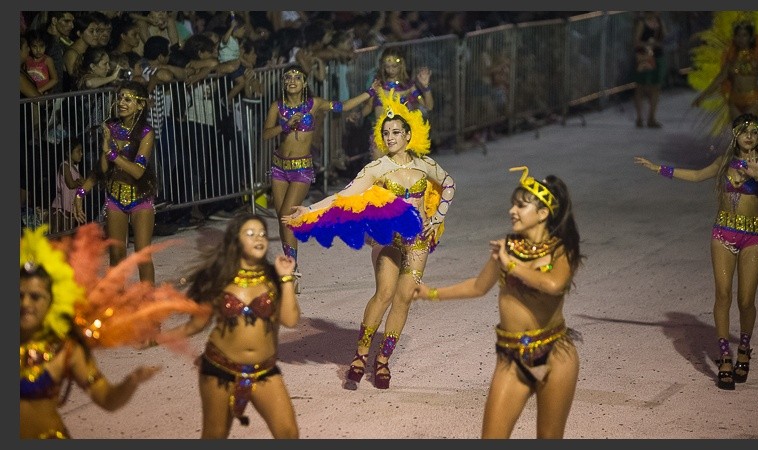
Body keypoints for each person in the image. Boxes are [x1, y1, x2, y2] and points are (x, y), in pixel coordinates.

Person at [282, 88, 456, 390]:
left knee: (403, 299)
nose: (390, 137)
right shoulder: (377, 168)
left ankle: (383, 361)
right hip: (387, 240)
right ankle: (360, 356)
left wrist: (438, 217)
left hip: (418, 242)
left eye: (395, 132)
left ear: (408, 134)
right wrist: (308, 210)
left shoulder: (425, 164)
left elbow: (450, 184)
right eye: (385, 133)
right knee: (385, 294)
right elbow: (342, 196)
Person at [411, 166, 583, 439]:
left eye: (521, 206)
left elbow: (554, 285)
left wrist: (511, 266)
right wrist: (431, 293)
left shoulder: (560, 250)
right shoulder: (508, 247)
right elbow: (478, 287)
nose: (512, 211)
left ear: (542, 214)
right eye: (513, 204)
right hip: (513, 355)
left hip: (555, 355)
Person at [634, 113, 758, 390]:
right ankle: (724, 356)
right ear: (734, 135)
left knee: (746, 300)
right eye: (743, 131)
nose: (749, 136)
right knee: (722, 294)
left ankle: (744, 351)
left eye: (754, 131)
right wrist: (659, 169)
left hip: (753, 237)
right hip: (722, 233)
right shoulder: (725, 162)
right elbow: (697, 175)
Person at [20, 223, 205, 439]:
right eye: (19, 295)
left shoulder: (65, 349)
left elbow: (107, 400)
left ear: (53, 301)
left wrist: (131, 382)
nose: (25, 303)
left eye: (35, 297)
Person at [154, 213, 301, 439]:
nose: (259, 239)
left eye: (262, 234)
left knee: (288, 433)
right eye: (250, 234)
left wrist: (286, 279)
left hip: (264, 370)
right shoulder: (220, 277)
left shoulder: (272, 277)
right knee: (215, 435)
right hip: (220, 370)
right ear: (236, 241)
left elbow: (291, 320)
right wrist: (158, 339)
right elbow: (196, 325)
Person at [262, 63, 380, 285]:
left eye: (297, 78)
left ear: (305, 83)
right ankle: (292, 266)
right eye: (288, 78)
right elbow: (266, 135)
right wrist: (285, 126)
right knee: (282, 218)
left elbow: (342, 106)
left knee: (288, 216)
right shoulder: (277, 107)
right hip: (279, 167)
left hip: (301, 169)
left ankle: (291, 270)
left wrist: (369, 93)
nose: (292, 82)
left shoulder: (314, 104)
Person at [74, 80, 158, 284]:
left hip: (140, 196)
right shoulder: (111, 127)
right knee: (116, 257)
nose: (121, 102)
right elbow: (101, 170)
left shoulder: (146, 133)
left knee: (142, 256)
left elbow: (138, 171)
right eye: (120, 97)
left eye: (128, 99)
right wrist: (80, 194)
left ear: (140, 105)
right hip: (114, 197)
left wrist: (113, 154)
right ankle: (117, 305)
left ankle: (148, 305)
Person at [689, 12, 758, 151]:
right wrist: (702, 96)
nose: (740, 38)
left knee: (748, 136)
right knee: (739, 138)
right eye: (738, 35)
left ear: (750, 37)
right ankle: (741, 169)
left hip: (754, 101)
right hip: (734, 102)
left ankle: (753, 167)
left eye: (744, 35)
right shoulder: (731, 56)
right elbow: (720, 79)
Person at [361, 47, 433, 159]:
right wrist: (358, 115)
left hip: (401, 137)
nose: (390, 70)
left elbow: (428, 106)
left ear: (401, 65)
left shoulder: (408, 86)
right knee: (380, 172)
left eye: (394, 66)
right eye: (387, 67)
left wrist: (425, 87)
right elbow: (369, 106)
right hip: (381, 136)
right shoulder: (378, 85)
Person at [633, 11, 667, 129]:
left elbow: (664, 37)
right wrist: (648, 44)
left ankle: (651, 117)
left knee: (656, 87)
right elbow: (636, 42)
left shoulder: (659, 22)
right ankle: (639, 118)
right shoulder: (642, 23)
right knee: (641, 87)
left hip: (658, 56)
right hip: (645, 57)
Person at [50, 138, 85, 233]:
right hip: (61, 206)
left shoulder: (75, 168)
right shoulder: (64, 166)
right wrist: (78, 182)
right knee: (56, 233)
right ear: (68, 153)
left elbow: (84, 183)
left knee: (69, 233)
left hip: (70, 205)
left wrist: (78, 182)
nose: (81, 154)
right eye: (78, 151)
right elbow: (70, 184)